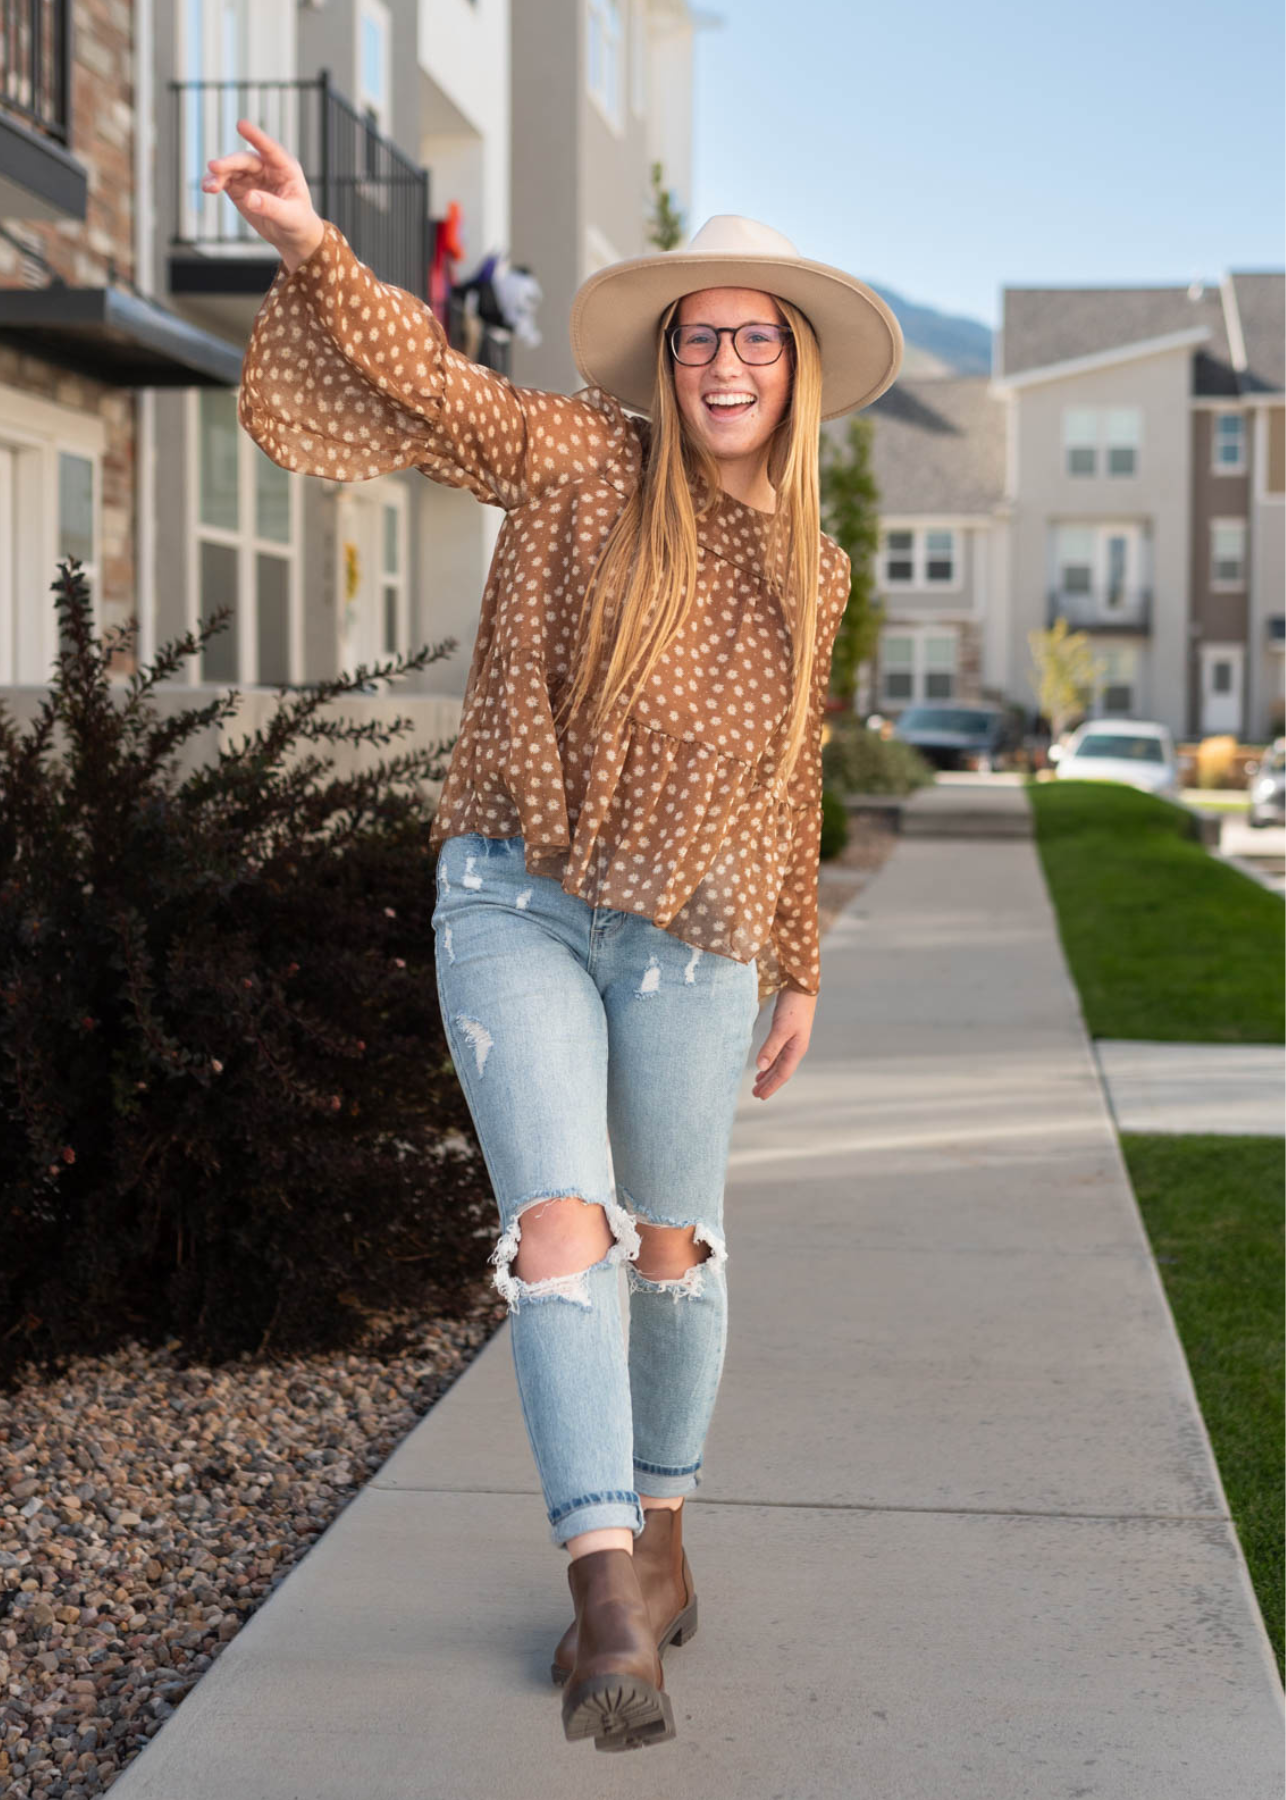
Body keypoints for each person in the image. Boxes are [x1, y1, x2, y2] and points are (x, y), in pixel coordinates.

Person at [209, 119, 902, 1753]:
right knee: (559, 1235)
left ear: (792, 367)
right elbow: (434, 384)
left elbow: (789, 772)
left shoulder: (815, 563)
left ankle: (663, 1540)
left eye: (754, 335)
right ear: (665, 360)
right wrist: (314, 246)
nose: (724, 360)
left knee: (672, 1244)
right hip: (512, 896)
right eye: (698, 333)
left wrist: (799, 959)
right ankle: (602, 1589)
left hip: (695, 939)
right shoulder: (579, 460)